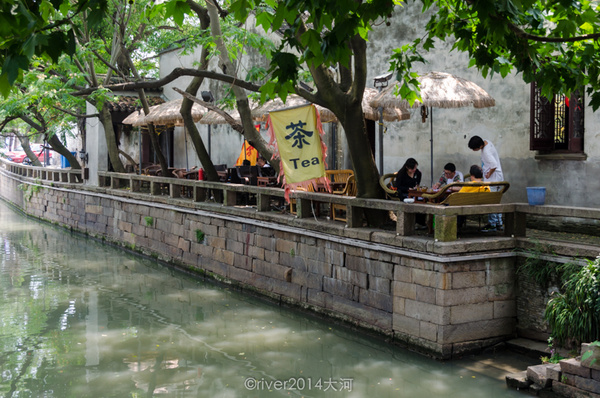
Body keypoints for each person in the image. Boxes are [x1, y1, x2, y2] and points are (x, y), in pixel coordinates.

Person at [468, 135, 504, 232]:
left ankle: (492, 224)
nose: (473, 150)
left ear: (479, 146)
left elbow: (494, 165)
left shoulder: (487, 152)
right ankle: (499, 223)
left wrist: (488, 174)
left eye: (474, 148)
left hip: (493, 179)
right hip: (498, 178)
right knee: (496, 201)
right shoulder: (487, 142)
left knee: (491, 201)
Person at [394, 158, 426, 228]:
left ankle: (420, 222)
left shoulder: (417, 173)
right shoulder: (402, 174)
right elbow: (397, 186)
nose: (414, 170)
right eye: (412, 169)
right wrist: (407, 188)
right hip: (405, 193)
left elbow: (417, 183)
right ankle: (413, 223)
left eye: (415, 168)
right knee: (413, 202)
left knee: (423, 200)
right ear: (407, 167)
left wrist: (416, 187)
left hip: (414, 192)